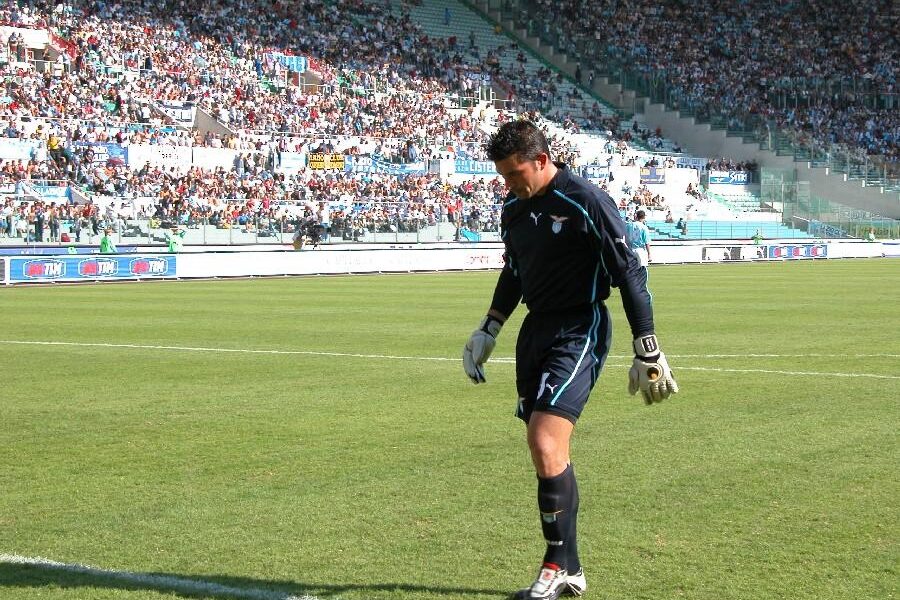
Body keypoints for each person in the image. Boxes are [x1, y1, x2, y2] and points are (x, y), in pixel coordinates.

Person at [462, 121, 678, 600]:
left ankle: (555, 565)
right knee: (548, 454)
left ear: (541, 160)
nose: (510, 184)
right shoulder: (514, 210)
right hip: (535, 330)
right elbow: (513, 272)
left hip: (580, 327)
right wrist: (489, 327)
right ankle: (571, 569)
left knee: (544, 442)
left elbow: (629, 274)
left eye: (516, 173)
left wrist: (648, 346)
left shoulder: (586, 199)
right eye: (503, 177)